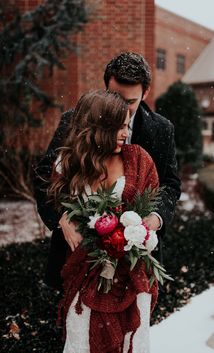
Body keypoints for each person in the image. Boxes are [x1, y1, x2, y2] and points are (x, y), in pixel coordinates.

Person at [33, 52, 181, 289]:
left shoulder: (162, 129)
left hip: (135, 260)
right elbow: (43, 175)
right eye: (115, 97)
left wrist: (154, 218)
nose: (121, 108)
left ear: (146, 92)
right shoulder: (75, 120)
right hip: (78, 257)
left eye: (130, 102)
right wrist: (61, 217)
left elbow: (170, 184)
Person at [49, 90, 159, 353]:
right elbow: (55, 202)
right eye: (118, 126)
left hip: (132, 274)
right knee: (82, 338)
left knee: (130, 341)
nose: (125, 133)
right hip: (86, 270)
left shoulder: (139, 160)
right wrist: (64, 217)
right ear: (98, 127)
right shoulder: (69, 164)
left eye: (127, 125)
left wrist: (144, 228)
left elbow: (154, 203)